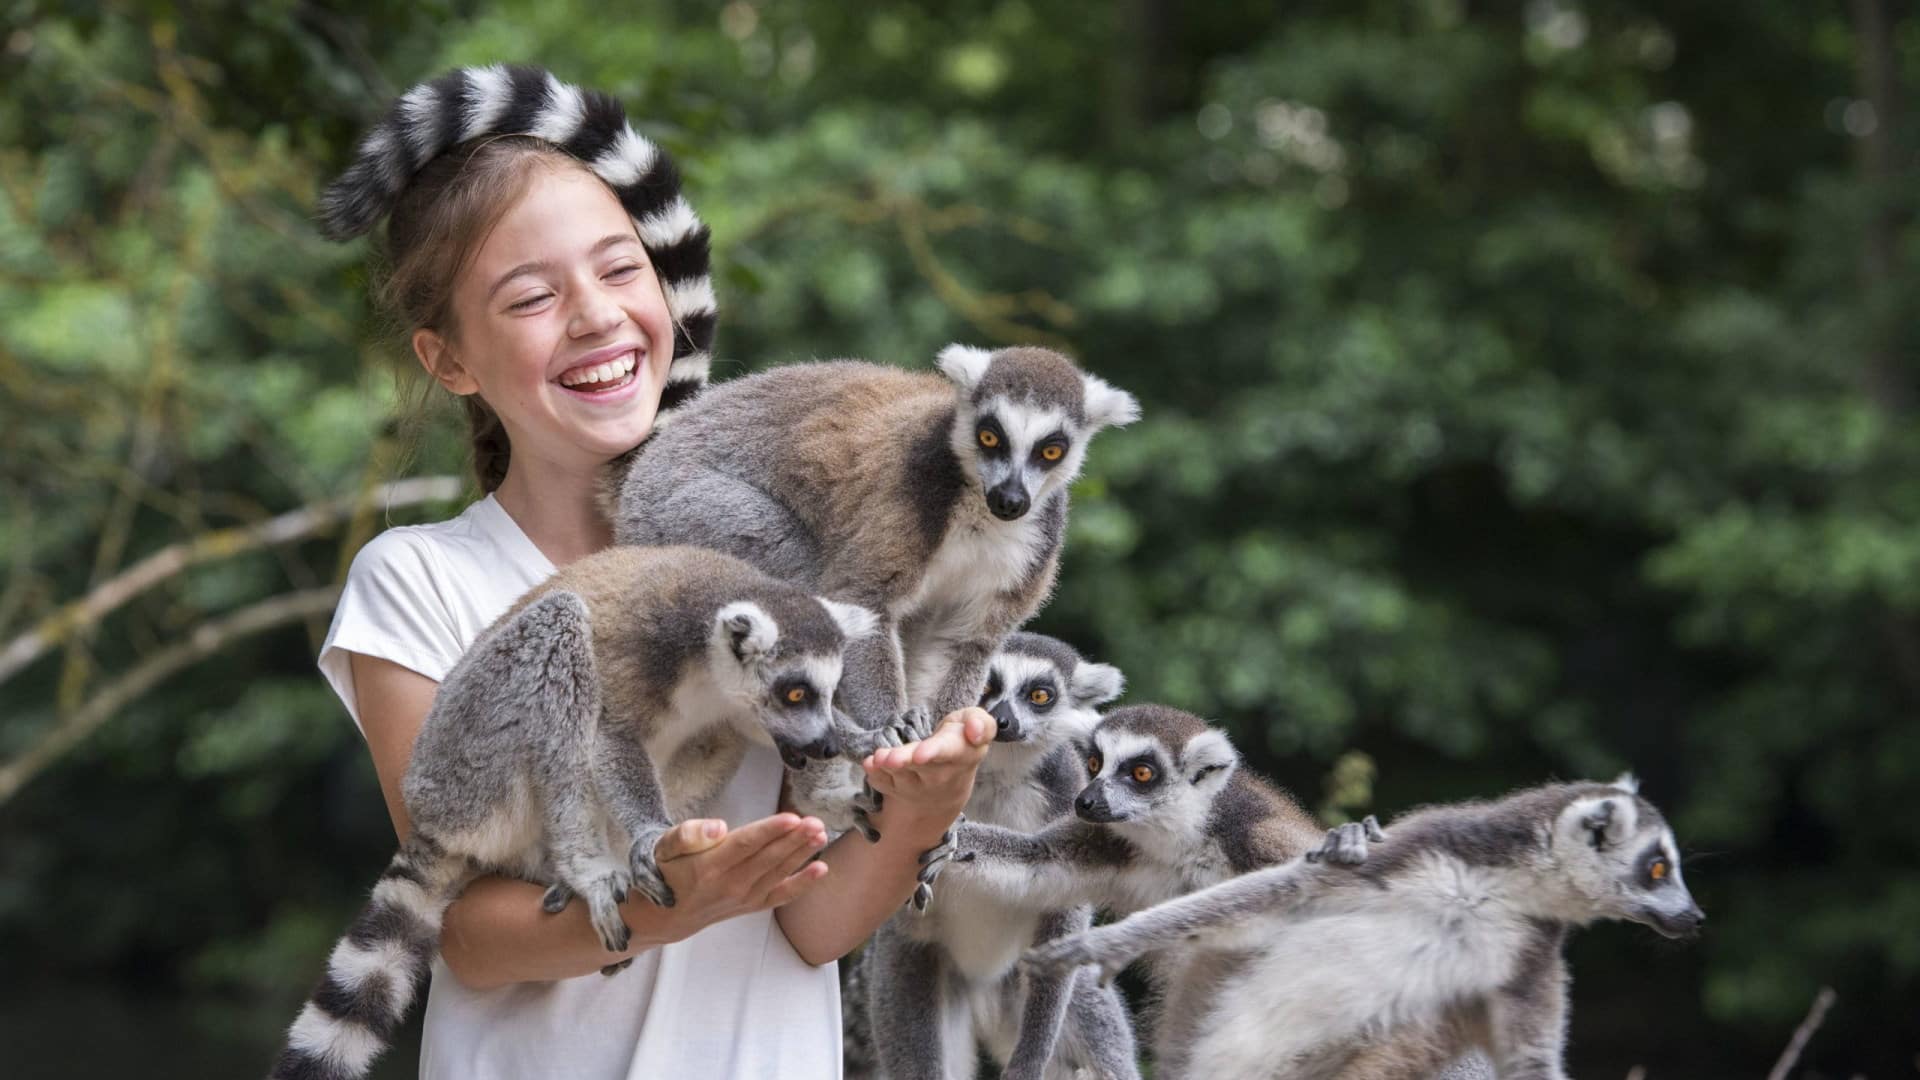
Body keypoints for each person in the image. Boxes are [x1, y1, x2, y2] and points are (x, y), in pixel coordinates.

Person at [315, 71, 991, 1079]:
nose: (594, 317)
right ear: (449, 361)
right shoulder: (421, 579)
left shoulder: (775, 584)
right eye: (534, 297)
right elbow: (460, 927)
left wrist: (922, 810)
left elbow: (813, 928)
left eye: (622, 270)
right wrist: (672, 900)